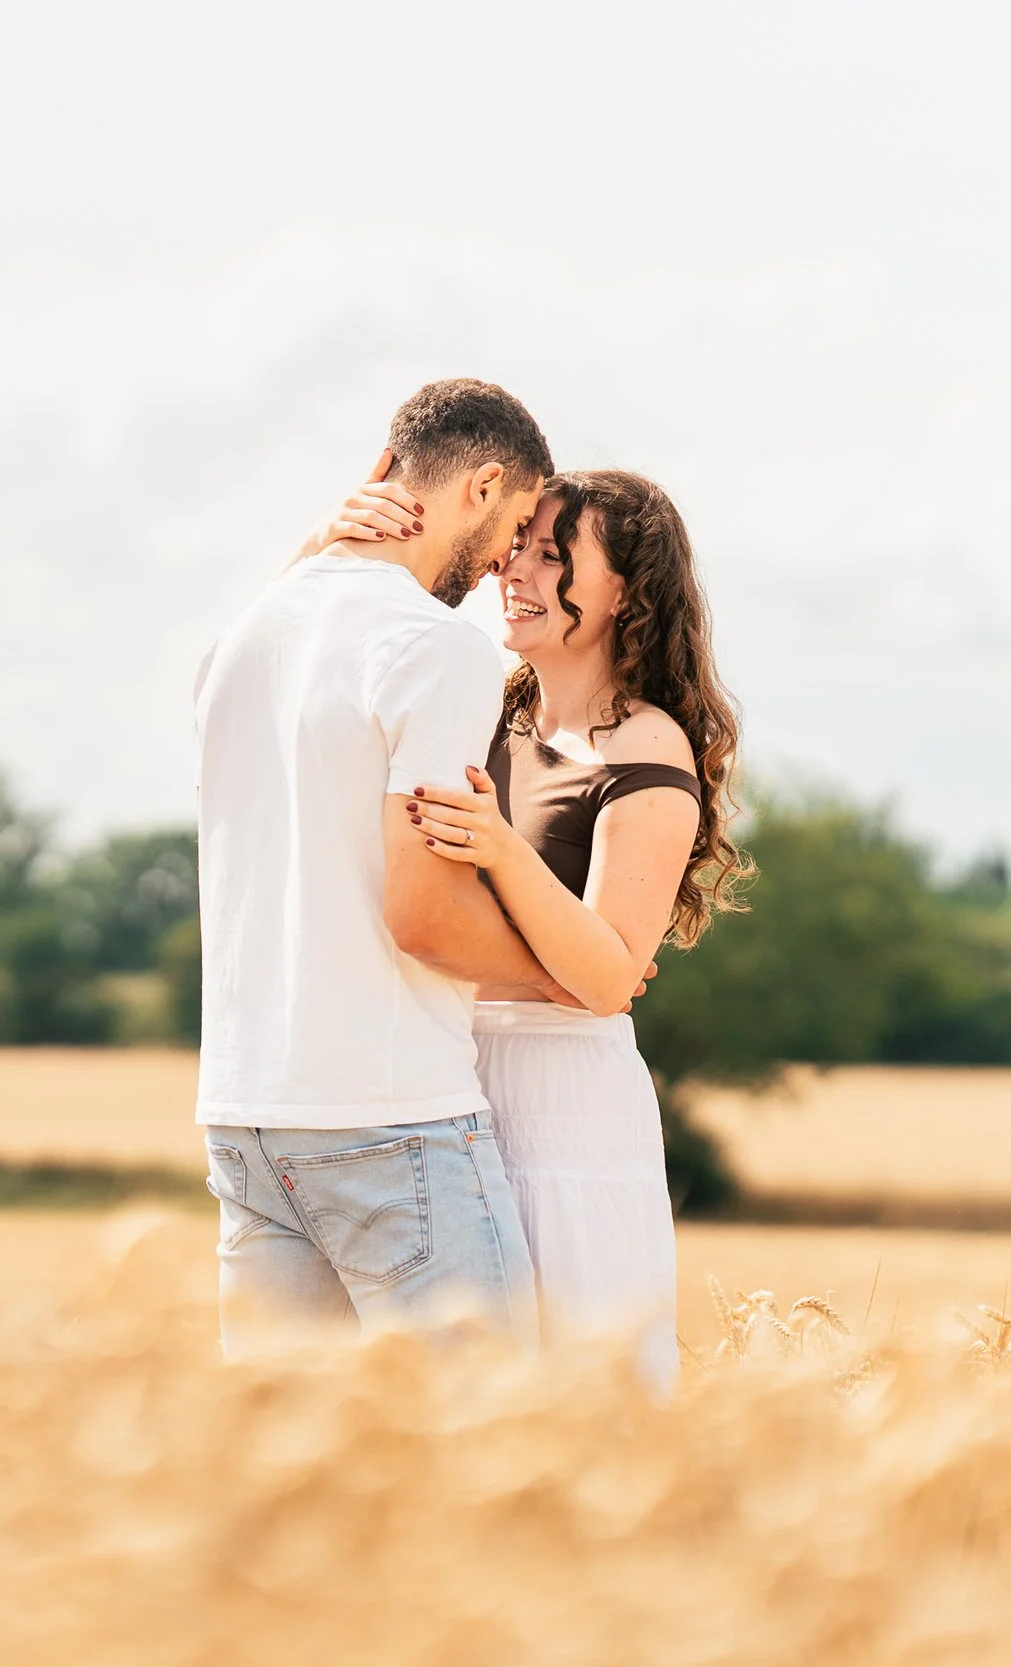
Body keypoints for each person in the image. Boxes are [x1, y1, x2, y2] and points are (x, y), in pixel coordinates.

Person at [313, 467, 748, 1390]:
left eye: (554, 556)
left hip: (567, 1104)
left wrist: (503, 852)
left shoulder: (647, 749)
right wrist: (331, 549)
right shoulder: (481, 717)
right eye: (518, 547)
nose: (516, 571)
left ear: (626, 589)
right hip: (440, 1076)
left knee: (580, 1387)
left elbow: (606, 976)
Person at [192, 378, 564, 1356]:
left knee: (296, 1481)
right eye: (513, 526)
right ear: (482, 486)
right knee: (497, 1457)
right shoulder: (435, 647)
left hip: (244, 1118)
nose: (496, 570)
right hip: (389, 1115)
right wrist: (558, 972)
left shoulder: (241, 637)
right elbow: (423, 914)